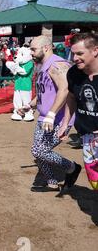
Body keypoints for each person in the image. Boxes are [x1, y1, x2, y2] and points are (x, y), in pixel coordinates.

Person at [18, 36, 78, 193]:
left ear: (46, 48)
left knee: (40, 151)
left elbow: (65, 90)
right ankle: (51, 181)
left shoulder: (57, 64)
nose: (30, 53)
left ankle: (72, 167)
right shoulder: (43, 65)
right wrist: (29, 105)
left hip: (57, 118)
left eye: (33, 49)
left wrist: (51, 114)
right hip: (45, 118)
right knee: (37, 151)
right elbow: (43, 91)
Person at [62, 32, 98, 193]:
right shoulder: (73, 74)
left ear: (95, 50)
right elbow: (71, 97)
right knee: (94, 180)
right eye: (73, 53)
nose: (75, 58)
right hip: (88, 137)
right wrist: (65, 123)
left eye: (80, 54)